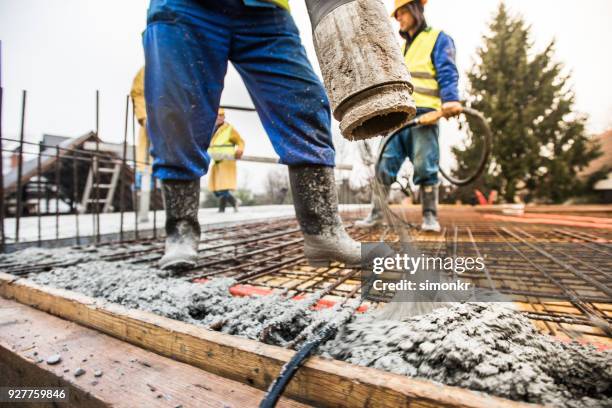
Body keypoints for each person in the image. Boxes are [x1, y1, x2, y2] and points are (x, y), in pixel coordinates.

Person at [144, 0, 361, 271]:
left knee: (304, 101)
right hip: (186, 8)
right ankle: (180, 231)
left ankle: (323, 231)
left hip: (266, 10)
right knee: (177, 111)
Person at [356, 0, 461, 232]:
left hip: (425, 114)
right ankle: (376, 215)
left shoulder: (438, 38)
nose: (399, 19)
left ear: (415, 10)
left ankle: (430, 217)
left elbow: (447, 71)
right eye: (397, 15)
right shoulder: (401, 49)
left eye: (402, 13)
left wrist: (451, 99)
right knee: (384, 164)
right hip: (399, 115)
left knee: (425, 165)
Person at [207, 109, 244, 213]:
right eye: (217, 115)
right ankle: (235, 202)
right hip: (216, 160)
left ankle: (221, 210)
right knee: (215, 189)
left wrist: (240, 150)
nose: (219, 117)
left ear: (224, 117)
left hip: (227, 160)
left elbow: (240, 141)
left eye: (221, 115)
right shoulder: (211, 129)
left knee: (223, 187)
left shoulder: (229, 129)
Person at [130, 66, 153, 223]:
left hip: (174, 127)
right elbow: (137, 93)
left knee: (174, 170)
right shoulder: (147, 70)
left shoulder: (182, 65)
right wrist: (144, 117)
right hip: (150, 125)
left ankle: (177, 219)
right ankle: (142, 212)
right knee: (144, 168)